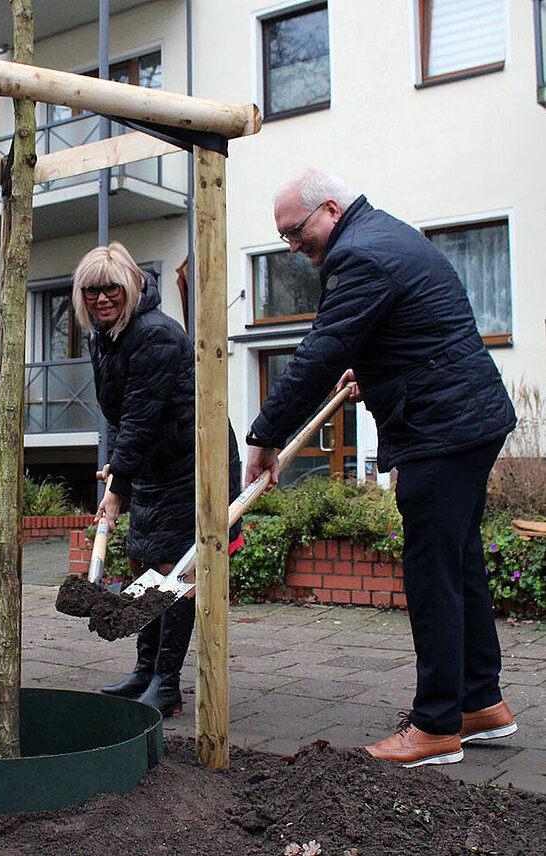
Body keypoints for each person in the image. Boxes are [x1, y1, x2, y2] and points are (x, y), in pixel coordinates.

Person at [244, 170, 518, 767]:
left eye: (296, 232)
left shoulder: (359, 256)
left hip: (443, 430)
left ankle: (436, 726)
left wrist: (265, 435)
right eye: (285, 238)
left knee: (431, 574)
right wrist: (380, 372)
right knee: (459, 561)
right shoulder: (386, 234)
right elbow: (421, 328)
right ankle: (480, 702)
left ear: (331, 210)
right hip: (466, 418)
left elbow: (321, 350)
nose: (293, 247)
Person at [73, 241, 242, 717]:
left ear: (131, 285)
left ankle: (166, 684)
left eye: (111, 289)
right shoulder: (102, 337)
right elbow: (119, 414)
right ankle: (145, 670)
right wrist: (117, 466)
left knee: (174, 569)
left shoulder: (156, 335)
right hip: (153, 460)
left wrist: (119, 486)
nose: (102, 299)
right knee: (144, 563)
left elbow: (143, 416)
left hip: (193, 465)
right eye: (91, 292)